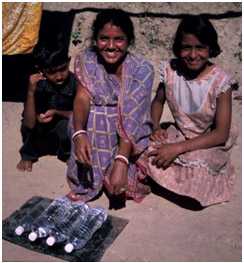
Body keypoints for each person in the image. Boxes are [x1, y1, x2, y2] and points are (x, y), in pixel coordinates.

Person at [66, 8, 154, 205]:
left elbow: (133, 119)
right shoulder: (87, 60)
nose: (111, 46)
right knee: (92, 116)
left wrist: (122, 161)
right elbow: (82, 98)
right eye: (104, 38)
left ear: (129, 40)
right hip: (94, 130)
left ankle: (119, 170)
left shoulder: (143, 70)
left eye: (119, 39)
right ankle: (88, 182)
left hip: (127, 136)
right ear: (96, 40)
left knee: (125, 185)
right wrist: (79, 133)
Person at [148, 15, 237, 207]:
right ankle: (172, 182)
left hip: (207, 140)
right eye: (187, 47)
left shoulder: (221, 82)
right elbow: (157, 102)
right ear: (178, 49)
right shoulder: (171, 71)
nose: (193, 55)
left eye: (200, 48)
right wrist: (156, 127)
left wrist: (178, 148)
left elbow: (221, 134)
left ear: (210, 48)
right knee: (146, 148)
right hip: (179, 133)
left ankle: (171, 183)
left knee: (200, 168)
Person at [17, 39, 77, 172]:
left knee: (69, 126)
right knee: (29, 129)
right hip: (40, 126)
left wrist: (57, 112)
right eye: (52, 72)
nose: (59, 76)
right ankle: (28, 154)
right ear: (42, 70)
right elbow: (28, 123)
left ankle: (65, 154)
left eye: (63, 69)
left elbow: (78, 114)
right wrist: (31, 92)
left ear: (68, 62)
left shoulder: (74, 82)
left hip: (61, 123)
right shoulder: (37, 85)